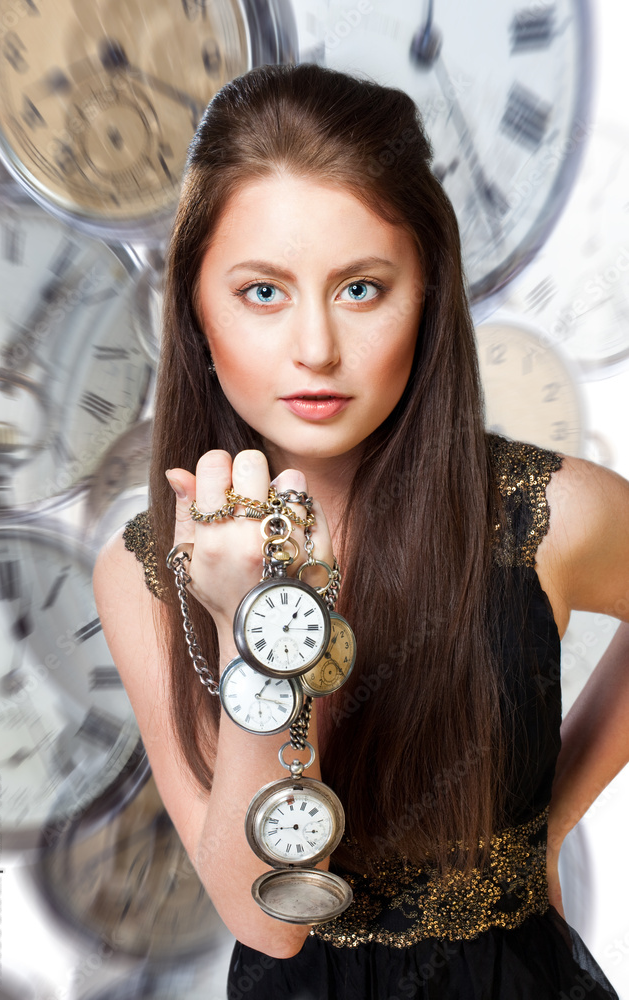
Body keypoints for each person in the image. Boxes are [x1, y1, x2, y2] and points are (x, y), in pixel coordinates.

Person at [93, 62, 628, 999]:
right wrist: (246, 618)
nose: (314, 349)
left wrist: (558, 811)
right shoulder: (146, 571)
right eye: (261, 292)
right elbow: (263, 917)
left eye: (360, 289)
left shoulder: (549, 515)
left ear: (426, 294)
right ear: (193, 311)